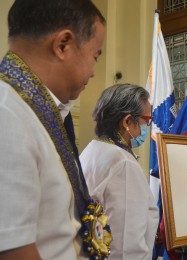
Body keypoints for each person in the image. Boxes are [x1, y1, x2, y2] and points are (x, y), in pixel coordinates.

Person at [0, 0, 106, 259]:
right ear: (63, 45)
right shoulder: (6, 112)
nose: (93, 72)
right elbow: (13, 249)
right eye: (95, 56)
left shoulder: (35, 110)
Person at [80, 84, 159, 260]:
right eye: (147, 120)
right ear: (127, 122)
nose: (148, 126)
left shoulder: (93, 149)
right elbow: (126, 245)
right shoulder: (122, 162)